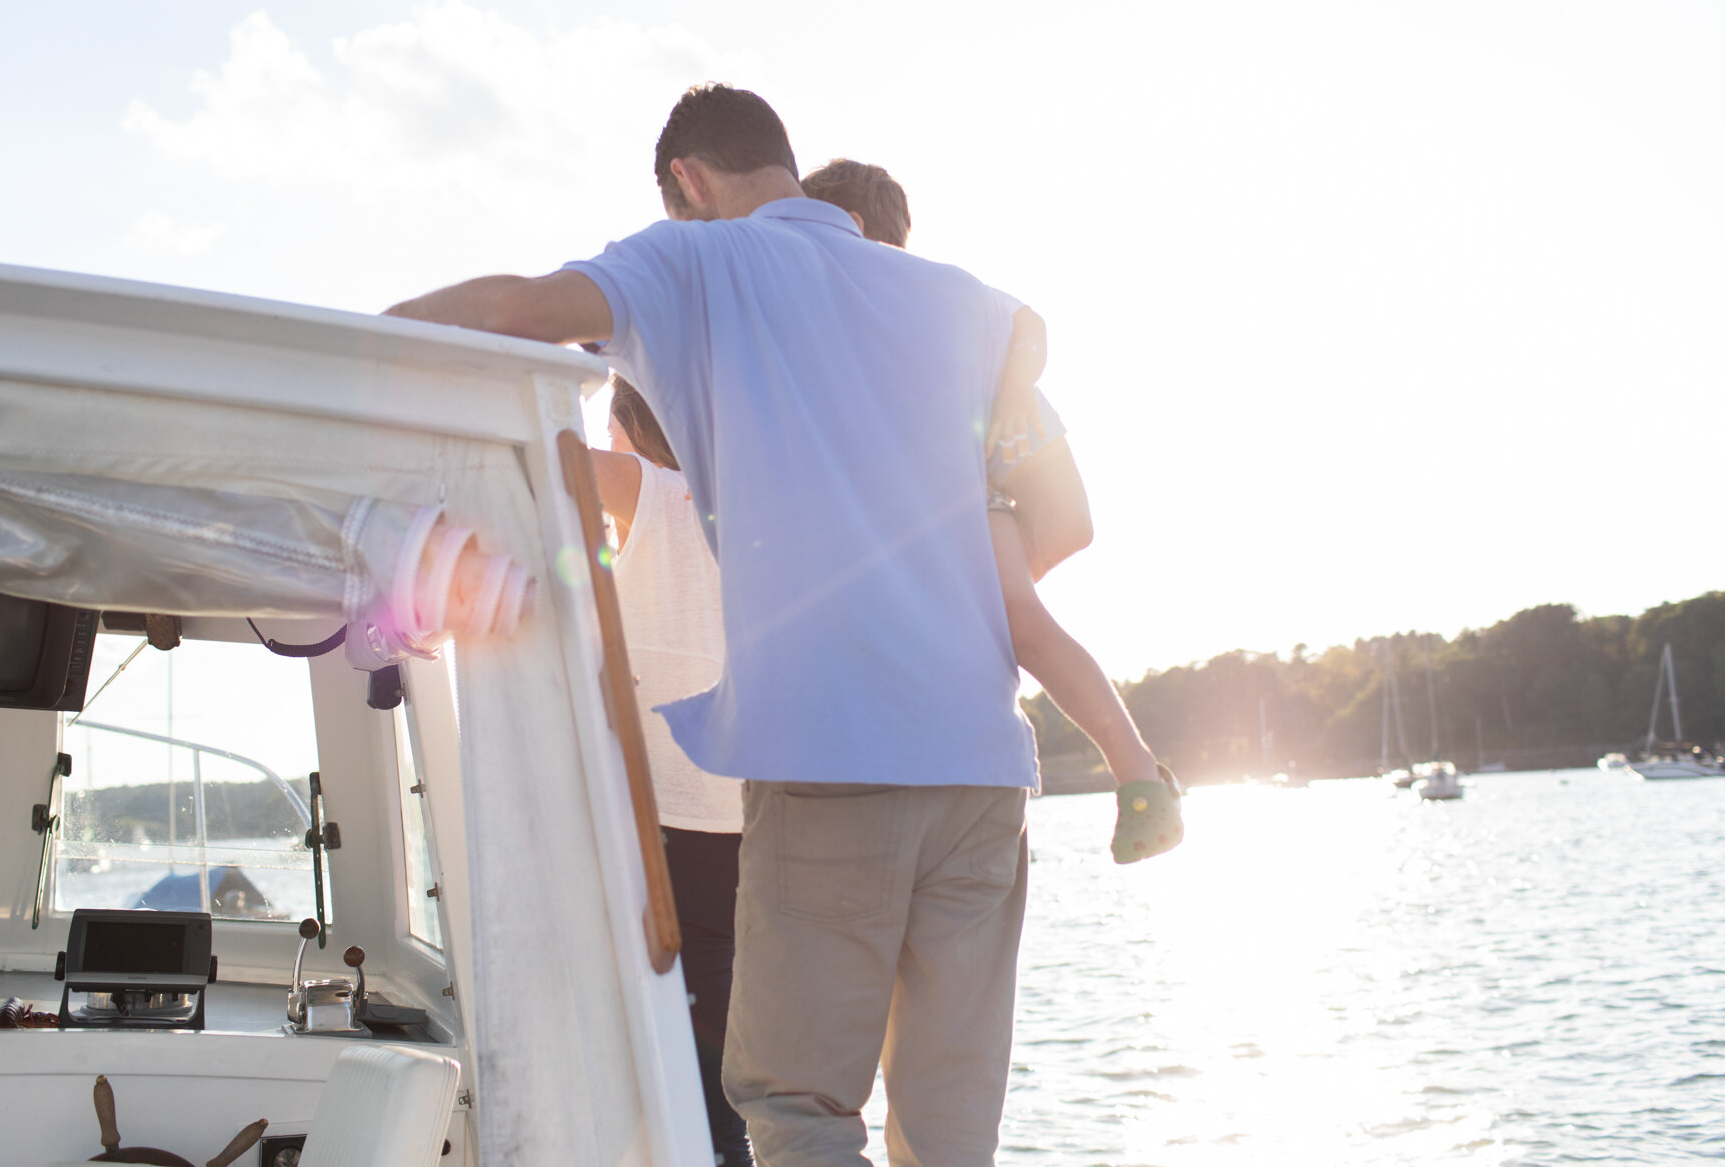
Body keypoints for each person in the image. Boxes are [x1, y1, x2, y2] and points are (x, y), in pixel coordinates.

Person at [386, 83, 1057, 1166]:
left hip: (837, 754)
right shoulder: (958, 300)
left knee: (794, 1113)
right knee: (947, 1128)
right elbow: (1053, 511)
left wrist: (344, 350)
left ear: (686, 185)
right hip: (985, 767)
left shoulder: (695, 258)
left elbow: (513, 311)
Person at [801, 159, 1180, 863]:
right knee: (1019, 619)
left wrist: (1010, 394)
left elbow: (1028, 322)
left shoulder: (930, 306)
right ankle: (1137, 772)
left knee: (1021, 619)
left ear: (848, 230)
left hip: (970, 507)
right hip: (960, 515)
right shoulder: (887, 320)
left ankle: (1138, 773)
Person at [592, 376, 752, 1167]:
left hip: (672, 814)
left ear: (632, 422)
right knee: (716, 1033)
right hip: (741, 810)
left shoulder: (651, 490)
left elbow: (552, 463)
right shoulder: (735, 506)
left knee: (685, 1041)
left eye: (608, 423)